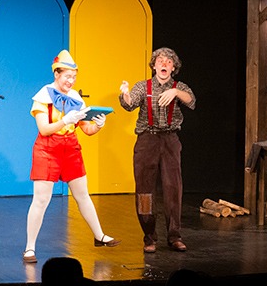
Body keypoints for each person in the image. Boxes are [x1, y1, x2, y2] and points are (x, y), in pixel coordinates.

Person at [23, 50, 118, 264]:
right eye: (67, 76)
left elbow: (87, 130)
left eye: (74, 77)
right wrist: (65, 120)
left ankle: (99, 236)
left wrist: (99, 125)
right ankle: (29, 248)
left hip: (70, 148)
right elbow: (44, 129)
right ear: (56, 74)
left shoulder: (75, 97)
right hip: (47, 149)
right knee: (41, 200)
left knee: (82, 195)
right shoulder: (43, 97)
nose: (71, 81)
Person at [119, 47, 196, 253]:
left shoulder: (179, 87)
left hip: (170, 140)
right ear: (154, 65)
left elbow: (191, 100)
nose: (164, 64)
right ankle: (149, 236)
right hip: (147, 140)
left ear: (173, 68)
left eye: (168, 62)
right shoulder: (143, 86)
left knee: (173, 189)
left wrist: (175, 92)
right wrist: (125, 94)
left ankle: (174, 236)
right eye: (160, 61)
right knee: (145, 190)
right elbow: (130, 104)